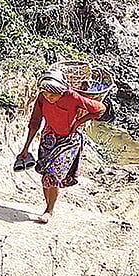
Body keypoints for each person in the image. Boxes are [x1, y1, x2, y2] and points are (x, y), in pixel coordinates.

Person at [16, 68, 106, 224]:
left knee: (53, 174)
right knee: (45, 175)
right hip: (49, 138)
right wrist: (26, 148)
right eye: (46, 94)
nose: (49, 98)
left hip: (69, 141)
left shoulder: (72, 97)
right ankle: (47, 206)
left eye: (53, 95)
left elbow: (99, 109)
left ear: (61, 91)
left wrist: (78, 122)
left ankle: (49, 210)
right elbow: (35, 122)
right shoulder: (42, 99)